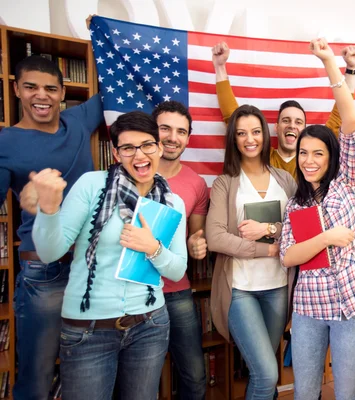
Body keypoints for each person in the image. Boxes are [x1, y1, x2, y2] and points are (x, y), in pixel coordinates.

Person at [31, 111, 188, 399]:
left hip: (149, 325)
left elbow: (177, 270)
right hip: (88, 331)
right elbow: (50, 252)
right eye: (128, 148)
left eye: (147, 145)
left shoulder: (172, 201)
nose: (139, 155)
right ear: (116, 153)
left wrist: (153, 248)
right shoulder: (92, 185)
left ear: (159, 147)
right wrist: (49, 209)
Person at [279, 38, 355, 400]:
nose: (308, 160)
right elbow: (287, 256)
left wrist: (328, 62)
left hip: (352, 307)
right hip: (308, 309)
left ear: (331, 156)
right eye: (303, 153)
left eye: (317, 153)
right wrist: (326, 238)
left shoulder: (346, 182)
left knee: (346, 391)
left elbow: (351, 121)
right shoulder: (295, 204)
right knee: (306, 392)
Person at [0, 54, 104, 398]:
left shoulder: (79, 120)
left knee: (88, 369)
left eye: (50, 88)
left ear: (62, 93)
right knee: (37, 374)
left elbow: (114, 83)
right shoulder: (5, 142)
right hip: (43, 273)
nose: (40, 95)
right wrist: (26, 199)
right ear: (16, 89)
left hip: (91, 267)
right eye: (30, 87)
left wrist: (101, 35)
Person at [205, 103, 297, 399]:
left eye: (256, 131)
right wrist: (265, 250)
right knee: (267, 372)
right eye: (242, 133)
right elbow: (215, 237)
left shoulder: (286, 180)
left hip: (279, 287)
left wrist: (269, 230)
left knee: (266, 371)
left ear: (265, 135)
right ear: (233, 138)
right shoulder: (225, 183)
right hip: (240, 289)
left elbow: (301, 231)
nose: (250, 139)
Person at [211, 42, 355, 178]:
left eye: (298, 122)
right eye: (286, 120)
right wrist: (220, 66)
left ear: (305, 130)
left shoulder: (312, 162)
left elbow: (341, 115)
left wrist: (352, 69)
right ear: (276, 127)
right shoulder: (262, 157)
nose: (292, 125)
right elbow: (233, 118)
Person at [153, 101, 209, 399]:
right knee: (136, 381)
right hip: (133, 294)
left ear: (188, 138)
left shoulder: (196, 183)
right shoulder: (125, 174)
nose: (173, 137)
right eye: (165, 128)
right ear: (153, 130)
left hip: (177, 291)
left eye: (181, 132)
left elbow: (195, 234)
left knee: (195, 376)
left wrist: (195, 245)